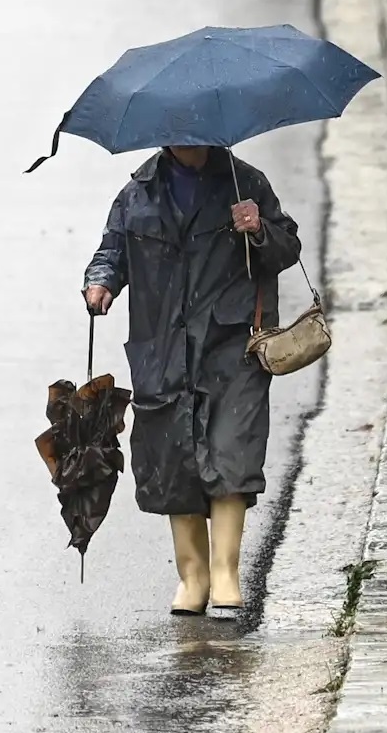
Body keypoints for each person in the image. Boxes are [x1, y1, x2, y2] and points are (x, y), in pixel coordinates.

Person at [82, 145, 301, 615]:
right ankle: (193, 577)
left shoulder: (247, 183)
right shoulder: (137, 195)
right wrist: (100, 281)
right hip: (161, 345)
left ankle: (225, 573)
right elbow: (112, 251)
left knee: (231, 449)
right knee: (174, 457)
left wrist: (259, 228)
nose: (188, 142)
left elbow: (287, 247)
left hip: (231, 343)